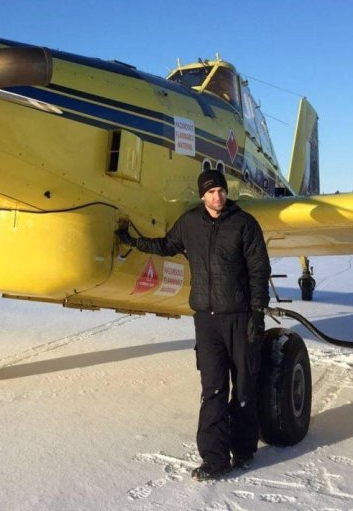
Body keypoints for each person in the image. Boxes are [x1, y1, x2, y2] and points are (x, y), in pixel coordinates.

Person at [117, 169, 271, 480]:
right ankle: (214, 459)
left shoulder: (244, 224)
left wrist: (257, 312)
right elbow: (165, 246)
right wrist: (132, 241)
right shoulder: (190, 223)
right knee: (212, 388)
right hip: (206, 320)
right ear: (202, 195)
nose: (218, 196)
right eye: (212, 192)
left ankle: (243, 449)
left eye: (221, 191)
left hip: (239, 317)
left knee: (243, 387)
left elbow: (259, 269)